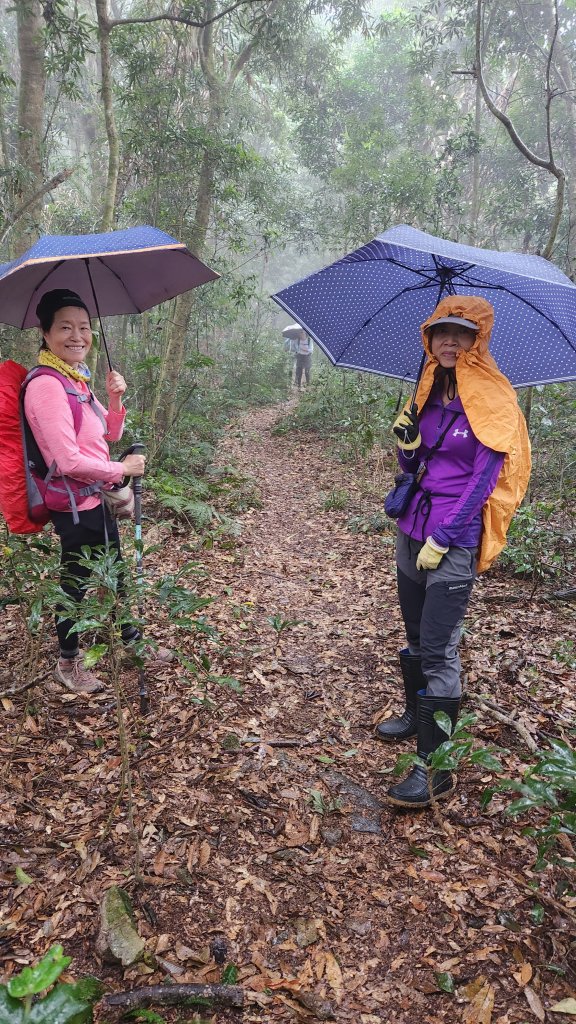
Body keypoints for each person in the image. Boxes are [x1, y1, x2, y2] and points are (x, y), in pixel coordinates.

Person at [377, 295, 531, 807]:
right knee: (416, 633)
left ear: (475, 340)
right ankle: (414, 713)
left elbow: (484, 481)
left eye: (459, 333)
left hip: (453, 537)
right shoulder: (429, 391)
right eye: (440, 331)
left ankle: (434, 770)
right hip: (412, 526)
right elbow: (412, 459)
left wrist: (445, 537)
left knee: (441, 648)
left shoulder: (492, 399)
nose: (448, 340)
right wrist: (405, 437)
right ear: (430, 338)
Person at [23, 288, 170, 696]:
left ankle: (131, 642)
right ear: (45, 332)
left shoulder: (76, 380)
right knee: (76, 583)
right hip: (72, 504)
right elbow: (68, 460)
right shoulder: (47, 385)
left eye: (84, 327)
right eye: (65, 327)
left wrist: (115, 398)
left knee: (116, 573)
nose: (77, 336)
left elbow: (108, 433)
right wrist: (121, 468)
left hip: (93, 498)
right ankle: (67, 664)